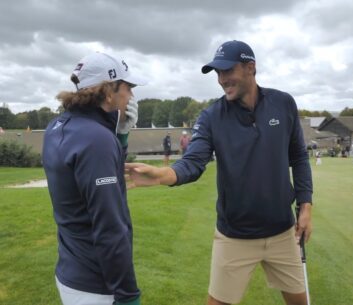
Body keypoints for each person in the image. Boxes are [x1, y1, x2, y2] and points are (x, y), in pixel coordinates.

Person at [126, 40, 313, 305]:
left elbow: (298, 156)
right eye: (218, 73)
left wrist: (305, 206)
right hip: (234, 236)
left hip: (283, 232)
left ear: (251, 68)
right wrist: (162, 175)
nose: (222, 79)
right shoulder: (211, 116)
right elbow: (193, 162)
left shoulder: (283, 104)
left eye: (227, 71)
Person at [42, 52, 146, 305]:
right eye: (127, 87)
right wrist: (127, 294)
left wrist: (120, 136)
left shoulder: (57, 127)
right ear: (109, 91)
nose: (131, 95)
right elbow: (110, 226)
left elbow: (101, 179)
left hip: (71, 269)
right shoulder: (96, 139)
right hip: (96, 283)